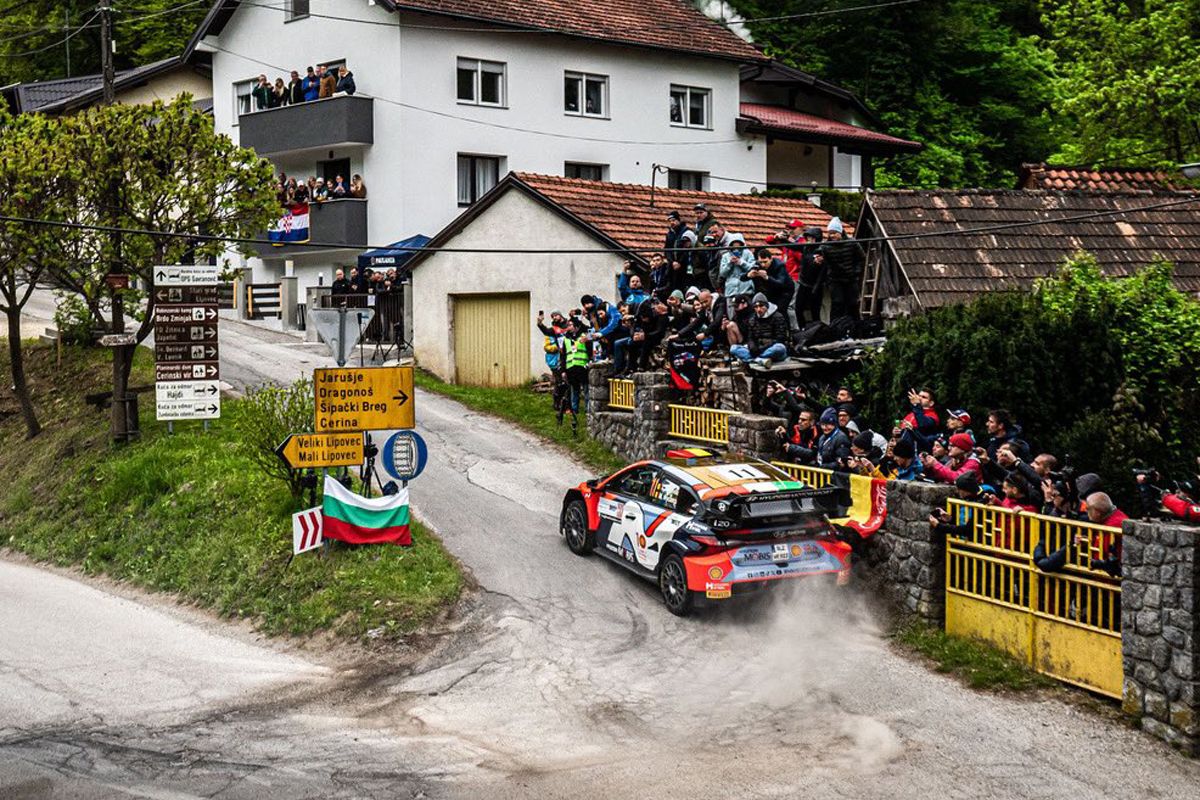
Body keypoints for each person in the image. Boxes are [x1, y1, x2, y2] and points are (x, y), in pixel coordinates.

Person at [817, 217, 864, 320]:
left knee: (853, 303)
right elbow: (818, 253)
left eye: (834, 233)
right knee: (837, 303)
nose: (832, 235)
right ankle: (835, 327)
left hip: (851, 278)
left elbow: (861, 257)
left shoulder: (852, 243)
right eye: (830, 233)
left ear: (841, 232)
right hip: (835, 279)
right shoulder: (825, 246)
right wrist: (817, 258)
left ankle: (856, 326)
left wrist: (856, 271)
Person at [731, 293, 789, 366]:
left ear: (766, 306)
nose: (759, 309)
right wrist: (752, 346)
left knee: (780, 348)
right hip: (758, 349)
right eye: (756, 307)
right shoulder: (752, 319)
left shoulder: (778, 316)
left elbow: (780, 338)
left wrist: (762, 348)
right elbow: (750, 337)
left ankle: (754, 359)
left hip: (771, 348)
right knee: (733, 348)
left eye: (761, 306)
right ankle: (760, 360)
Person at [929, 472, 985, 539]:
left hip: (978, 543)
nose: (958, 492)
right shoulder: (969, 498)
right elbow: (964, 521)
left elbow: (967, 530)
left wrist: (939, 526)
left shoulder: (981, 502)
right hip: (966, 541)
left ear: (965, 490)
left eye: (959, 489)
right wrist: (950, 519)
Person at [560, 319, 590, 435]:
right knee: (574, 390)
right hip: (570, 368)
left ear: (576, 326)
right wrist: (563, 370)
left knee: (586, 389)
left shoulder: (583, 336)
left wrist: (589, 362)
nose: (568, 327)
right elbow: (563, 356)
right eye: (567, 325)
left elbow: (589, 350)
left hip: (582, 367)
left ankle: (588, 410)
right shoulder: (566, 339)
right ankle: (574, 410)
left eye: (570, 325)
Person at [747, 247, 795, 311]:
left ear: (771, 259)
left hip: (785, 290)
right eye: (761, 262)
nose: (763, 265)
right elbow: (742, 277)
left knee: (781, 310)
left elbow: (780, 283)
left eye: (765, 262)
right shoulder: (758, 264)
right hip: (772, 290)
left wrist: (766, 277)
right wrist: (748, 275)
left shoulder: (780, 266)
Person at [794, 226, 825, 324]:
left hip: (816, 285)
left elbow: (821, 270)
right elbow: (793, 246)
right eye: (807, 238)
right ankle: (803, 328)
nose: (808, 240)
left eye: (811, 237)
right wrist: (783, 239)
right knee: (798, 308)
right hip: (804, 283)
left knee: (815, 310)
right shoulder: (806, 248)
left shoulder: (821, 250)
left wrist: (817, 262)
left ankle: (817, 330)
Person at [717, 233, 756, 299]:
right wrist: (730, 263)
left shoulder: (748, 253)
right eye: (734, 246)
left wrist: (741, 263)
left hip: (746, 290)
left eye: (738, 246)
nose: (736, 249)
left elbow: (753, 268)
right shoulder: (725, 256)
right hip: (731, 291)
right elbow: (722, 274)